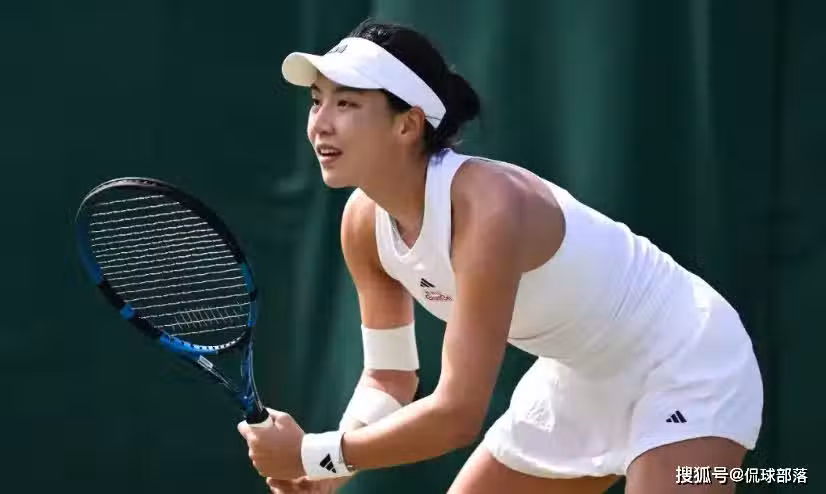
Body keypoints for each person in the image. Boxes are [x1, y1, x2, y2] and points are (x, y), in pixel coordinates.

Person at [237, 18, 764, 494]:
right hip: (578, 377)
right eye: (317, 101)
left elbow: (458, 414)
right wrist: (328, 470)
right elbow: (389, 377)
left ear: (408, 124)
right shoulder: (361, 223)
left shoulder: (490, 209)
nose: (320, 123)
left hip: (686, 359)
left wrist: (315, 453)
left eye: (346, 104)